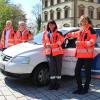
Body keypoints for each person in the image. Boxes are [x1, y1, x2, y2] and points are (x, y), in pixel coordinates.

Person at [65, 15, 96, 94]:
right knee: (77, 71)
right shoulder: (81, 31)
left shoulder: (91, 30)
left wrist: (80, 43)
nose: (81, 22)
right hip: (81, 56)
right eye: (81, 21)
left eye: (83, 21)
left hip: (88, 56)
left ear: (87, 22)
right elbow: (73, 34)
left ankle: (85, 89)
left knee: (87, 73)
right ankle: (79, 87)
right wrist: (66, 35)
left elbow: (91, 42)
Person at [42, 20, 64, 90]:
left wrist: (51, 45)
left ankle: (58, 84)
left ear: (55, 25)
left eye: (52, 24)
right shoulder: (46, 33)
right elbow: (43, 42)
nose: (51, 26)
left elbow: (60, 42)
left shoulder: (59, 33)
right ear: (48, 26)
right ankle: (52, 83)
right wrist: (46, 45)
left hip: (58, 53)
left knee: (58, 68)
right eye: (49, 25)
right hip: (49, 53)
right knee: (52, 69)